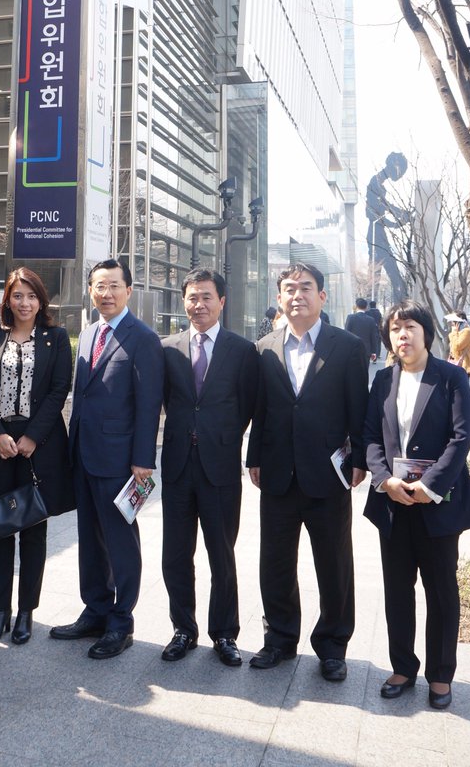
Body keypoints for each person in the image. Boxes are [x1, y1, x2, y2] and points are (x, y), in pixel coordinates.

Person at [246, 263, 369, 681]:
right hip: (278, 473)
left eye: (306, 288)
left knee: (334, 563)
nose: (297, 295)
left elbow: (359, 409)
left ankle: (333, 645)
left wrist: (360, 461)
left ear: (322, 296)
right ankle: (279, 638)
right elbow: (261, 410)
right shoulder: (264, 347)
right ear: (279, 298)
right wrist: (254, 457)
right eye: (288, 289)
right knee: (275, 562)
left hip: (327, 475)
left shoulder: (347, 346)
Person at [364, 301, 470, 710]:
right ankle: (402, 666)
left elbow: (461, 437)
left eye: (409, 326)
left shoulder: (449, 377)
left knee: (442, 592)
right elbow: (371, 438)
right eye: (395, 329)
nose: (402, 335)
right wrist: (385, 480)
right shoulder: (382, 381)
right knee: (398, 589)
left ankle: (440, 675)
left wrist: (428, 486)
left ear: (425, 332)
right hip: (393, 504)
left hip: (438, 505)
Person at [50, 259, 164, 660]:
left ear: (128, 290)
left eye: (114, 286)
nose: (106, 293)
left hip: (121, 460)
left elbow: (150, 405)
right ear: (91, 290)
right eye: (99, 286)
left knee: (120, 541)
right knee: (90, 540)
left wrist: (143, 461)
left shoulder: (143, 338)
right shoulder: (90, 331)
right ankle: (95, 610)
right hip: (84, 454)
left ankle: (121, 623)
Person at [0, 268, 74, 645]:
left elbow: (60, 387)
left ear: (41, 300)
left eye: (31, 296)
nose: (24, 302)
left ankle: (27, 611)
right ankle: (0, 611)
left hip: (38, 446)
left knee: (33, 529)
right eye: (17, 295)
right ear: (7, 300)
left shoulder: (56, 338)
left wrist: (32, 436)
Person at [159, 269, 259, 665]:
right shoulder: (167, 348)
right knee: (176, 555)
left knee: (222, 554)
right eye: (192, 298)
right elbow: (166, 400)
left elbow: (249, 405)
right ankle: (183, 629)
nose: (198, 305)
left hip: (220, 468)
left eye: (206, 297)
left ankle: (224, 633)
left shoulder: (241, 349)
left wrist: (222, 435)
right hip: (179, 466)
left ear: (222, 301)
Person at [345, 297, 381, 363]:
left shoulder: (350, 318)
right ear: (366, 307)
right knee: (364, 371)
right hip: (366, 351)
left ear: (356, 306)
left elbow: (346, 333)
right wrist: (374, 351)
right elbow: (373, 336)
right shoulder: (371, 320)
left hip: (352, 350)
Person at [446, 312, 470, 378]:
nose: (452, 323)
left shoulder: (466, 331)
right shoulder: (458, 332)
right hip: (456, 365)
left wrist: (454, 332)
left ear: (458, 322)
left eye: (453, 321)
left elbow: (457, 346)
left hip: (464, 366)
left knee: (461, 387)